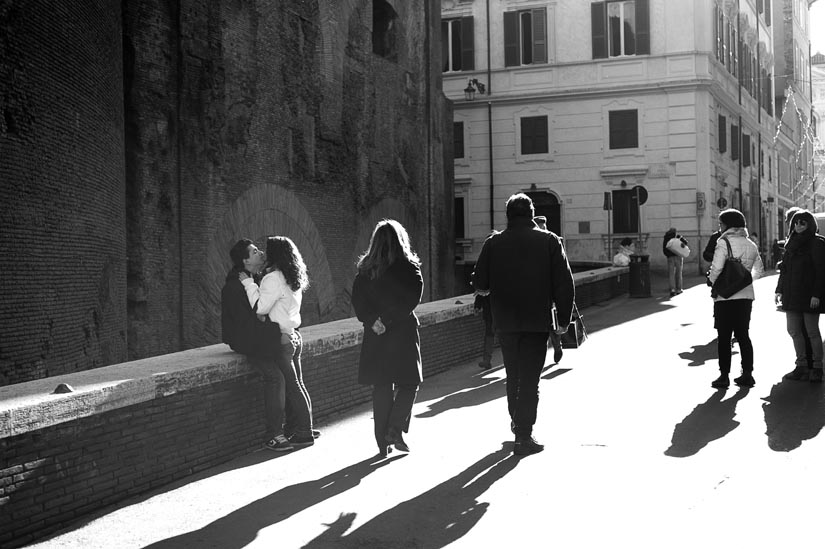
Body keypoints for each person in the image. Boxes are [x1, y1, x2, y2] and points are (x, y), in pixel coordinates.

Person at [473, 194, 575, 455]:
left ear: (508, 215)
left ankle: (517, 425)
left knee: (513, 376)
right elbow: (564, 284)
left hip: (505, 322)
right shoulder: (549, 241)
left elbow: (480, 284)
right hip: (536, 321)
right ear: (531, 214)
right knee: (530, 379)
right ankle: (523, 434)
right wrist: (563, 320)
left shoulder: (493, 243)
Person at [352, 219, 424, 457]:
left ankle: (382, 443)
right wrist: (390, 320)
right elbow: (412, 298)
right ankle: (394, 428)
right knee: (409, 383)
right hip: (402, 332)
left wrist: (374, 320)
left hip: (376, 334)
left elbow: (358, 301)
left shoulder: (365, 270)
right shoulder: (409, 267)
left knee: (381, 386)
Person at [240, 236, 317, 451]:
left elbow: (260, 308)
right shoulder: (293, 276)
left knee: (292, 388)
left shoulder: (273, 278)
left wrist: (248, 284)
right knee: (299, 385)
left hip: (281, 340)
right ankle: (306, 427)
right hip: (294, 335)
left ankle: (304, 432)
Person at [221, 239, 289, 451]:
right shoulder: (234, 286)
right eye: (255, 252)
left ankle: (292, 428)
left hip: (261, 337)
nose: (260, 253)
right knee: (275, 378)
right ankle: (273, 435)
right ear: (245, 260)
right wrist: (274, 331)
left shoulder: (255, 279)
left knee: (286, 373)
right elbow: (246, 323)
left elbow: (261, 314)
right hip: (249, 341)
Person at [707, 209, 764, 389]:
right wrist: (743, 281)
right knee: (743, 335)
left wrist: (712, 282)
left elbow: (716, 268)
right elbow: (759, 270)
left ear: (727, 224)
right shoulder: (751, 244)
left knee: (724, 337)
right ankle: (747, 374)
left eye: (720, 223)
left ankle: (724, 376)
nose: (719, 226)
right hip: (745, 297)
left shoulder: (723, 242)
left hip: (725, 297)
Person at [775, 209, 825, 383]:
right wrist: (778, 290)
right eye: (795, 223)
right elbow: (784, 270)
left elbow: (821, 271)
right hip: (791, 294)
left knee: (812, 331)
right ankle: (801, 366)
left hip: (809, 295)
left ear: (810, 224)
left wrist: (816, 294)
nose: (798, 226)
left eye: (802, 223)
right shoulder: (791, 243)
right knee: (794, 330)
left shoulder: (817, 243)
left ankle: (817, 367)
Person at [534, 216, 565, 363]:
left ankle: (557, 347)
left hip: (550, 292)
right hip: (538, 291)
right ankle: (545, 352)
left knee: (552, 323)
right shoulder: (533, 242)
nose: (542, 229)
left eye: (543, 226)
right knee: (542, 325)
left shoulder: (553, 241)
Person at [663, 228, 689, 297]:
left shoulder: (666, 238)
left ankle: (672, 289)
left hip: (670, 258)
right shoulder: (678, 236)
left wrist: (668, 255)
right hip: (678, 256)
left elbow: (664, 249)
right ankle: (678, 289)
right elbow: (686, 243)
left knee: (671, 274)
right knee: (678, 273)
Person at [474, 291, 494, 370]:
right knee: (489, 335)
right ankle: (487, 361)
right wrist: (477, 306)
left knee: (506, 338)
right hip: (490, 312)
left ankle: (513, 363)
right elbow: (481, 289)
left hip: (501, 312)